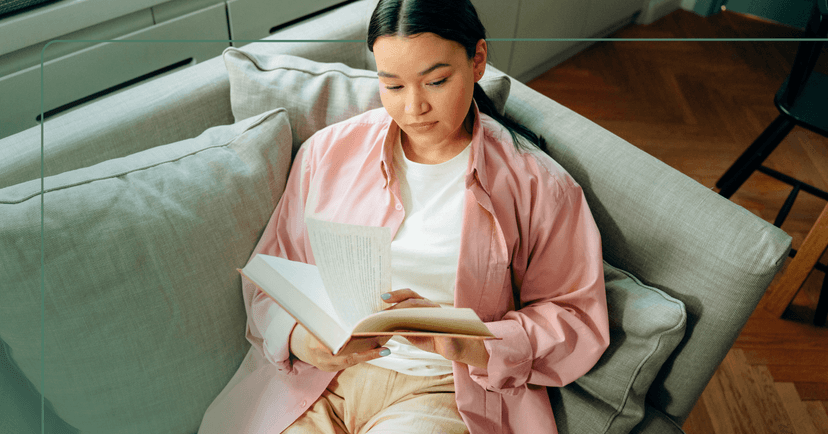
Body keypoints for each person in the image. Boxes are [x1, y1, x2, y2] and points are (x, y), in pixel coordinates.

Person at [199, 0, 610, 432]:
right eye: (392, 86)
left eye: (435, 81)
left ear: (478, 61)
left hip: (442, 390)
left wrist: (473, 343)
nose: (414, 107)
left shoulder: (538, 185)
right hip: (318, 382)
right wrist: (299, 339)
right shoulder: (328, 154)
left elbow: (575, 316)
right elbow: (271, 275)